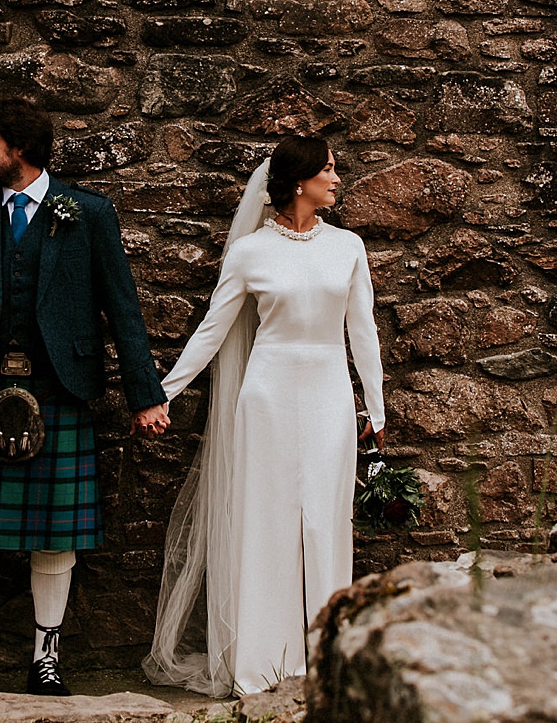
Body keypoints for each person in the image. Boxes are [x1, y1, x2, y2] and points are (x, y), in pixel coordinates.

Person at [0, 98, 169, 696]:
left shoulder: (86, 213)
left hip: (60, 390)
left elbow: (124, 310)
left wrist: (146, 394)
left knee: (56, 538)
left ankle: (46, 660)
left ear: (21, 148)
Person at [144, 135, 386, 698]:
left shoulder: (348, 246)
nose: (337, 177)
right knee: (266, 525)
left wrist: (374, 407)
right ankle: (262, 666)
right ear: (298, 181)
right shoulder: (250, 252)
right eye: (327, 169)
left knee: (326, 526)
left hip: (328, 393)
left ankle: (327, 659)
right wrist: (166, 392)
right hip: (268, 395)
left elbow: (363, 331)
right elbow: (213, 330)